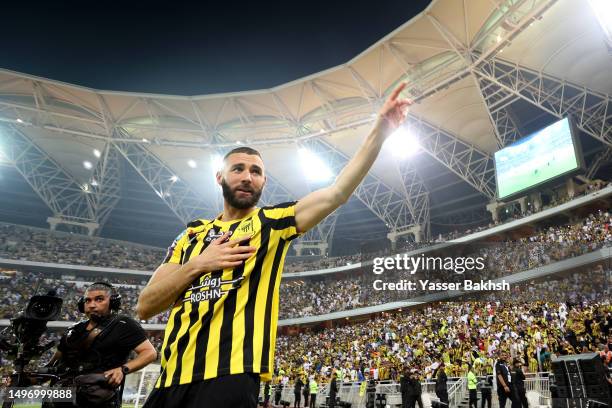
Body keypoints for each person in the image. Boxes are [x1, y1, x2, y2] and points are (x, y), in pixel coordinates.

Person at [137, 82, 413, 408]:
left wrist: (379, 132)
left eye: (256, 171)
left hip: (230, 375)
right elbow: (145, 306)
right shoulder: (190, 236)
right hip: (170, 377)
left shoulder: (271, 222)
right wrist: (200, 263)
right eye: (238, 169)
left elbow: (337, 192)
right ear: (219, 177)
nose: (247, 177)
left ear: (264, 181)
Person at [47, 282, 157, 408]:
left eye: (99, 299)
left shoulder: (123, 324)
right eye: (87, 301)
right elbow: (54, 363)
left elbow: (150, 353)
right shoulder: (74, 329)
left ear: (113, 303)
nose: (92, 305)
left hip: (99, 399)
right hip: (61, 398)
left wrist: (122, 370)